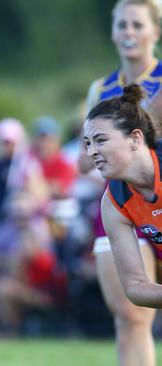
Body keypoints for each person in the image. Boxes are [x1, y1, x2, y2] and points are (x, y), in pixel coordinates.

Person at [81, 1, 162, 365]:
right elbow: (86, 153)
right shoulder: (101, 87)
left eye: (137, 24)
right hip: (126, 202)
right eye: (122, 25)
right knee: (131, 315)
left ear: (155, 32)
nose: (129, 32)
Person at [85, 84, 162, 307]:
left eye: (101, 140)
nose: (92, 152)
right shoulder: (113, 202)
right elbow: (135, 286)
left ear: (135, 139)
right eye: (87, 144)